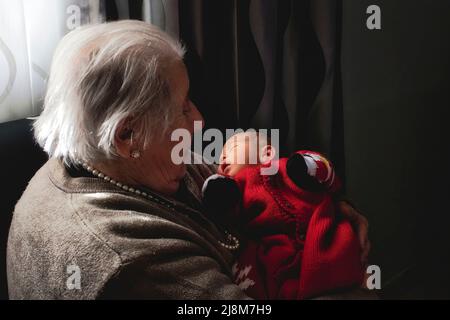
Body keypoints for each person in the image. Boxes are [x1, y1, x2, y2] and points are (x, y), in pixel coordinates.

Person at [6, 20, 370, 299]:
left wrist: (322, 208)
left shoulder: (118, 159)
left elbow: (254, 183)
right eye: (181, 109)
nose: (199, 121)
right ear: (126, 135)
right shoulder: (130, 261)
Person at [202, 132, 367, 299]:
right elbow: (228, 214)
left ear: (266, 154)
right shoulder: (239, 188)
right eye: (220, 157)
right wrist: (219, 192)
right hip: (274, 249)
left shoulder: (286, 167)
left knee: (338, 258)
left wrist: (307, 166)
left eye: (232, 149)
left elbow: (327, 177)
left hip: (318, 228)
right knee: (265, 276)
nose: (222, 159)